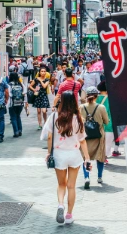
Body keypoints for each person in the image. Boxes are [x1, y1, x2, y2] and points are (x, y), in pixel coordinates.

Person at [42, 91, 92, 225]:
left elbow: (49, 136)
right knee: (71, 186)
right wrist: (87, 158)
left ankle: (60, 205)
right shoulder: (78, 118)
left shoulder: (54, 117)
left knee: (61, 184)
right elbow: (82, 140)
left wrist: (49, 152)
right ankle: (69, 215)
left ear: (62, 101)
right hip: (74, 154)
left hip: (59, 154)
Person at [80, 86, 109, 188]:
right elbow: (106, 121)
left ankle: (87, 177)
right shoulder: (101, 108)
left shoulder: (81, 107)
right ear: (97, 96)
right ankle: (99, 177)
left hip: (85, 135)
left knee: (85, 157)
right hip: (99, 135)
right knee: (100, 156)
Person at [96, 81, 116, 158]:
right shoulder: (111, 99)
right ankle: (105, 157)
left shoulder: (95, 98)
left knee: (99, 142)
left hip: (98, 124)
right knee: (108, 143)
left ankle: (100, 156)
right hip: (109, 124)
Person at [30, 65, 51, 129]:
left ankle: (45, 122)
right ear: (39, 72)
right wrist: (34, 90)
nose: (43, 72)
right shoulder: (36, 79)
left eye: (44, 71)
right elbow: (30, 86)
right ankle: (40, 124)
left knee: (44, 111)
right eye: (42, 71)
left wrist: (40, 80)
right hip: (38, 96)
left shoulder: (47, 80)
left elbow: (44, 86)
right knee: (38, 111)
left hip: (44, 96)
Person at [8, 72, 26, 137]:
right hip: (20, 103)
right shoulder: (21, 84)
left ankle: (16, 132)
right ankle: (20, 130)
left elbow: (9, 94)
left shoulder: (9, 85)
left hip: (12, 103)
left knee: (13, 117)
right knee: (18, 116)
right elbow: (24, 92)